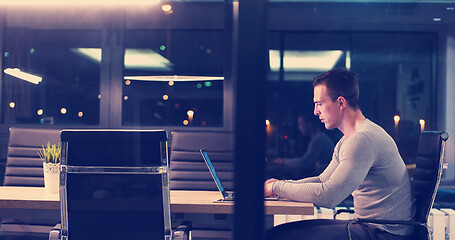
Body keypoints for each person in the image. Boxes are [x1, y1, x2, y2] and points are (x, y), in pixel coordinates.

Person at [264, 69, 415, 240]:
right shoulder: (348, 140)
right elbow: (322, 180)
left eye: (319, 103)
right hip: (372, 228)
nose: (315, 111)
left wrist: (277, 188)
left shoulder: (363, 139)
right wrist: (282, 185)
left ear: (341, 103)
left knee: (279, 236)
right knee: (278, 233)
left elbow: (329, 195)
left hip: (385, 234)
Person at [267, 114, 334, 179]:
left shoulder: (318, 140)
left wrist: (282, 161)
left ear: (310, 124)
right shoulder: (319, 138)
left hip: (325, 180)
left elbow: (303, 163)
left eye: (301, 124)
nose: (299, 127)